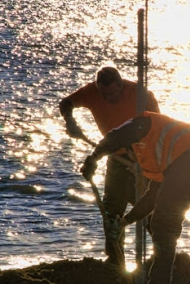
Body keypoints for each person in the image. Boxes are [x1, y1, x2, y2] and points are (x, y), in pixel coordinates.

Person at [80, 111, 190, 284]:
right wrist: (125, 221)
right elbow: (152, 199)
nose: (133, 167)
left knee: (164, 224)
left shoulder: (145, 125)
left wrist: (93, 159)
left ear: (132, 150)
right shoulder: (163, 159)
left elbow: (115, 136)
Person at [59, 66, 160, 267]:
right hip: (115, 158)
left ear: (121, 86)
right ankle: (115, 260)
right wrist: (70, 121)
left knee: (149, 210)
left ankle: (162, 257)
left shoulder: (141, 94)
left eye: (112, 94)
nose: (107, 98)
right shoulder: (91, 92)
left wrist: (141, 159)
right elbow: (66, 103)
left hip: (141, 159)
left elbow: (157, 126)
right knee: (112, 210)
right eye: (103, 94)